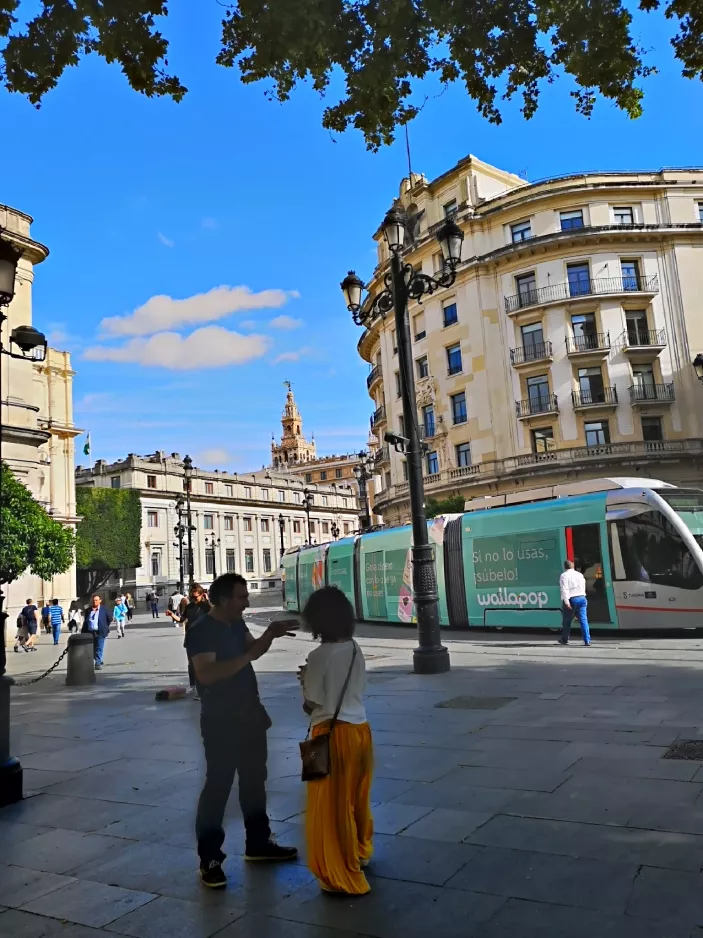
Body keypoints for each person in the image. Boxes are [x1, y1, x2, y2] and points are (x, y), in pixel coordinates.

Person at [186, 572, 297, 889]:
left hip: (250, 715)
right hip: (221, 720)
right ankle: (210, 858)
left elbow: (254, 650)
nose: (246, 602)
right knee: (218, 787)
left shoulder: (236, 624)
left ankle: (258, 844)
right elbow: (206, 674)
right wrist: (247, 655)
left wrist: (271, 634)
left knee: (254, 782)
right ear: (221, 600)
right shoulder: (201, 630)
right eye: (241, 597)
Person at [300, 586, 373, 895]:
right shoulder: (355, 648)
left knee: (330, 806)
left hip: (331, 735)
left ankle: (340, 870)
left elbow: (313, 703)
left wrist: (304, 680)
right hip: (360, 731)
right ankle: (359, 849)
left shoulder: (318, 656)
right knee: (356, 798)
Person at [167, 583, 210, 694]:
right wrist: (172, 615)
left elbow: (216, 612)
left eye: (196, 596)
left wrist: (208, 600)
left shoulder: (206, 606)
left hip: (204, 638)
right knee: (191, 663)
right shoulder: (189, 607)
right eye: (192, 596)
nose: (194, 599)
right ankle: (193, 685)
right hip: (190, 638)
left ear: (202, 595)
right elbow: (181, 620)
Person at [558, 560, 591, 646]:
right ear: (573, 566)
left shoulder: (564, 575)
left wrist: (566, 602)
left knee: (567, 621)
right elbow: (583, 585)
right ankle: (587, 640)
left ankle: (565, 639)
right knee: (583, 620)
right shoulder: (579, 575)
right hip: (582, 598)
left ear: (565, 567)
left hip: (572, 599)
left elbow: (564, 589)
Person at [82, 594, 112, 669]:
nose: (94, 602)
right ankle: (99, 659)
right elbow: (86, 621)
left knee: (99, 647)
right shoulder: (88, 610)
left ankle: (97, 663)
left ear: (100, 601)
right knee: (92, 648)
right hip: (90, 632)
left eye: (96, 600)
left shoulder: (104, 609)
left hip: (100, 631)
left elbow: (109, 619)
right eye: (93, 600)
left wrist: (105, 626)